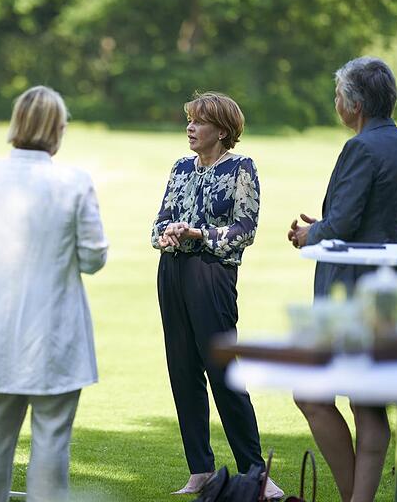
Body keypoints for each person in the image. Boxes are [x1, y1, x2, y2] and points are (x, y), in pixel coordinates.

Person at [0, 86, 108, 502]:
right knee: (51, 441)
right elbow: (94, 257)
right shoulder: (74, 182)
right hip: (54, 334)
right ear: (57, 129)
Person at [287, 57, 397, 502]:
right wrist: (327, 225)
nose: (335, 103)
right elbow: (383, 217)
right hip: (393, 290)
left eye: (338, 96)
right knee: (366, 401)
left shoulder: (360, 148)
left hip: (352, 291)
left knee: (311, 394)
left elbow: (342, 223)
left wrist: (311, 233)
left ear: (356, 104)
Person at [152, 92, 282, 498]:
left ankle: (256, 473)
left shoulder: (242, 168)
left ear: (222, 131)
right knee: (182, 369)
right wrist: (168, 234)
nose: (190, 127)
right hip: (172, 272)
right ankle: (200, 470)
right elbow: (158, 224)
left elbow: (245, 229)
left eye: (199, 121)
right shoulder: (179, 168)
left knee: (224, 372)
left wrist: (198, 234)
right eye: (189, 120)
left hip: (212, 275)